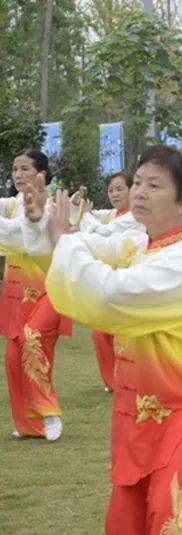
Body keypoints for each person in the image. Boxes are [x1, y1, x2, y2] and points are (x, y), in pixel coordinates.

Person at [28, 145, 182, 534]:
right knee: (126, 518)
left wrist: (64, 240)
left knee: (173, 517)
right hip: (146, 405)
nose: (140, 192)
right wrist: (44, 219)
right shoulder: (142, 242)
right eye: (138, 182)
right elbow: (94, 245)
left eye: (155, 185)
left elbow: (109, 294)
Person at [0, 149, 71, 441]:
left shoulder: (50, 208)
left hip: (48, 289)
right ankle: (30, 425)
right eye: (15, 169)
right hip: (17, 293)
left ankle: (48, 411)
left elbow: (18, 237)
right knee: (13, 357)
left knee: (34, 339)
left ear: (41, 174)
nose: (18, 174)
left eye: (25, 168)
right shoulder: (11, 205)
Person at [71, 172, 146, 392]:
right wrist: (77, 203)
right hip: (111, 280)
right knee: (101, 333)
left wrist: (86, 216)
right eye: (111, 190)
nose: (114, 194)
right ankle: (114, 381)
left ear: (132, 191)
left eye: (120, 189)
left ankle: (129, 380)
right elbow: (91, 217)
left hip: (129, 279)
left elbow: (103, 232)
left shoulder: (134, 216)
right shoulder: (113, 214)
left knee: (121, 334)